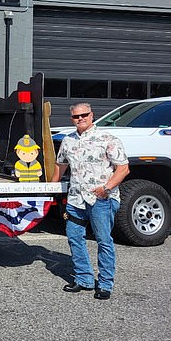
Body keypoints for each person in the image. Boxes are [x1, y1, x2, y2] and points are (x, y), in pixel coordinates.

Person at [51, 102, 129, 300]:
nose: (80, 119)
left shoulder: (107, 138)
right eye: (76, 116)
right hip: (76, 199)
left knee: (103, 241)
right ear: (72, 119)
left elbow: (123, 168)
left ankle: (105, 284)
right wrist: (51, 189)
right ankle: (84, 279)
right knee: (74, 237)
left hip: (101, 199)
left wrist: (106, 188)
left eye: (84, 115)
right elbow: (60, 166)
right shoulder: (68, 141)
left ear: (92, 115)